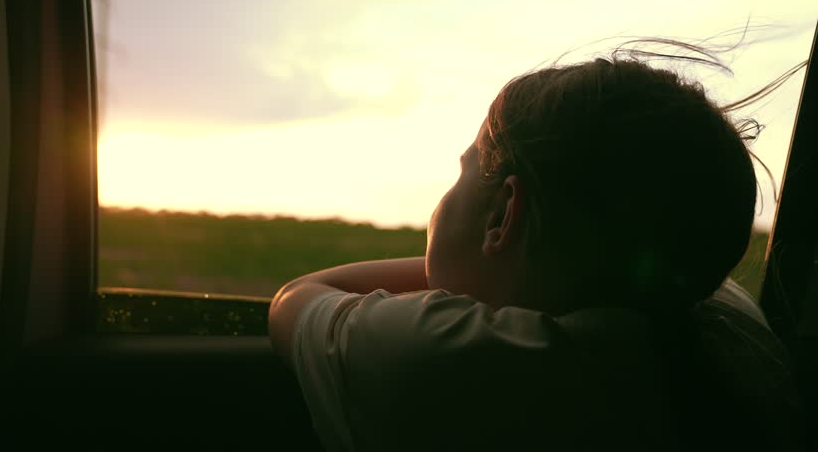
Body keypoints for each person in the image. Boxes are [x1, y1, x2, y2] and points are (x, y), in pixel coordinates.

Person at [268, 40, 803, 451]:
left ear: (502, 213)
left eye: (461, 174)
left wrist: (451, 268)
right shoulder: (732, 326)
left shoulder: (454, 361)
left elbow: (298, 299)